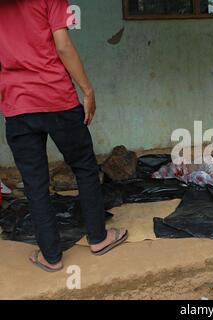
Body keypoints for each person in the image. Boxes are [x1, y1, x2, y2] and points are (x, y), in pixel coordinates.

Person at [0, 0, 128, 272]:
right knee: (84, 167)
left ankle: (51, 257)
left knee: (34, 183)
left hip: (17, 105)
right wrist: (88, 90)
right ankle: (99, 238)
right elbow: (63, 45)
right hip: (57, 98)